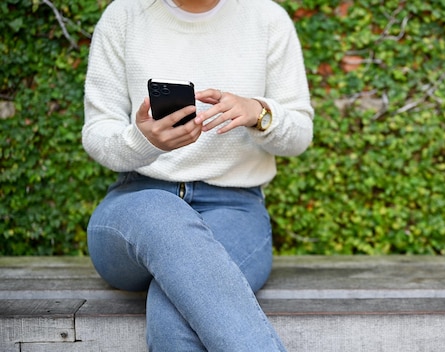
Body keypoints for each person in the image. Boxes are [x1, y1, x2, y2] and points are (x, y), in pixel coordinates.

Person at [82, 0, 313, 350]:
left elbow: (299, 134)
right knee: (164, 214)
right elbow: (97, 132)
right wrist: (142, 140)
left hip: (235, 209)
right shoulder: (125, 14)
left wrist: (259, 112)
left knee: (175, 303)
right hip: (137, 206)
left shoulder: (266, 18)